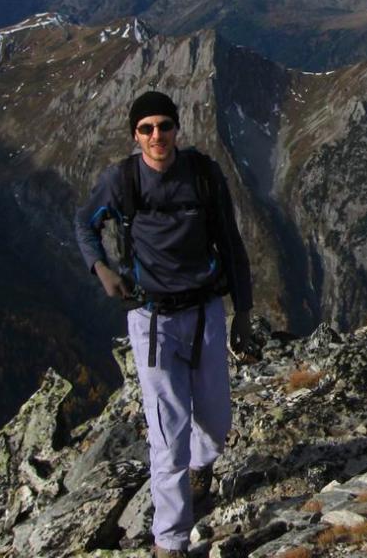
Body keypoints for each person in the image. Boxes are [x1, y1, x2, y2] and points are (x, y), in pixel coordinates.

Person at [75, 90, 256, 558]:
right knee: (166, 433)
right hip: (151, 320)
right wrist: (102, 270)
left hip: (205, 312)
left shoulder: (203, 173)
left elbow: (231, 242)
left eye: (165, 125)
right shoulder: (122, 181)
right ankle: (169, 541)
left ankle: (202, 466)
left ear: (178, 127)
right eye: (147, 128)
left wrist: (244, 313)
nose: (158, 136)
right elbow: (84, 223)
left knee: (216, 421)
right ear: (135, 135)